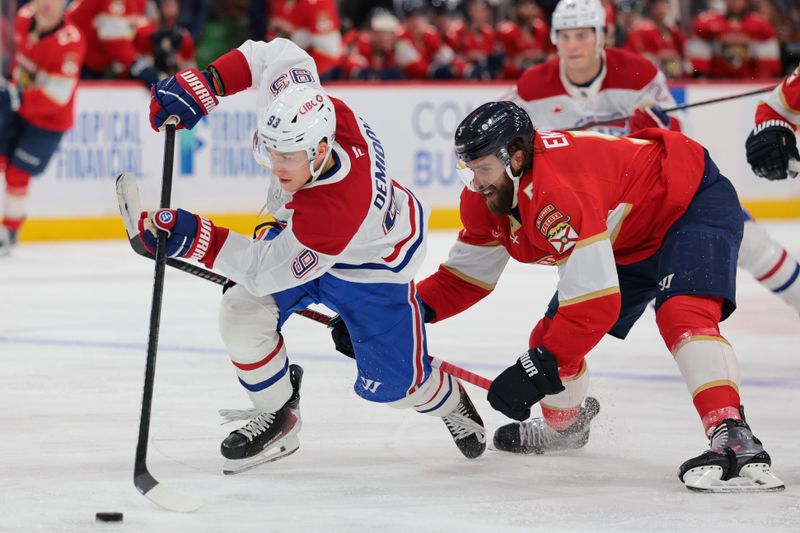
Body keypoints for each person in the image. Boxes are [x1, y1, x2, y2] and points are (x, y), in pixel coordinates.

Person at [142, 37, 486, 474]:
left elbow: (266, 271)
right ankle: (280, 414)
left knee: (398, 387)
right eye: (271, 152)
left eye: (287, 156)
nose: (277, 165)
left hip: (372, 265)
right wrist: (209, 82)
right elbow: (278, 54)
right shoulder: (306, 107)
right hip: (303, 239)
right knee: (241, 312)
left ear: (321, 150)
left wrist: (195, 237)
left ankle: (449, 401)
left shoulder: (335, 208)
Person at [419, 100, 784, 492]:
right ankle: (566, 430)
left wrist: (537, 369)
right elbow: (462, 279)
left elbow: (596, 304)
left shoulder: (557, 190)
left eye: (484, 169)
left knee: (683, 314)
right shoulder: (485, 199)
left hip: (688, 202)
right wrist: (399, 311)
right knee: (547, 341)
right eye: (468, 170)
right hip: (627, 233)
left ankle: (731, 433)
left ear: (518, 158)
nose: (476, 182)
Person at [513, 0, 800, 315]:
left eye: (582, 35)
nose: (573, 45)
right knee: (599, 296)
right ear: (553, 38)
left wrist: (658, 128)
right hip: (594, 209)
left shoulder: (637, 72)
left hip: (653, 192)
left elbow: (682, 136)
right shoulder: (532, 87)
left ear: (601, 35)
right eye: (565, 36)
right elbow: (507, 139)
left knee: (752, 242)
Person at [0, 0, 86, 256]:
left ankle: (10, 230)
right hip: (20, 107)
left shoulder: (71, 42)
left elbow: (57, 96)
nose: (47, 3)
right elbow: (21, 61)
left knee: (18, 173)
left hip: (49, 120)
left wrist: (15, 97)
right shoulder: (25, 17)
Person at [67, 0, 161, 86]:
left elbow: (130, 28)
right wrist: (135, 63)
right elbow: (111, 33)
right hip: (77, 61)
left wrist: (154, 39)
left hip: (97, 61)